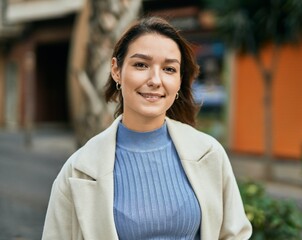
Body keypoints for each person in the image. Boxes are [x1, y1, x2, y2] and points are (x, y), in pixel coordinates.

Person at [42, 16, 252, 240]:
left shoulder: (209, 153)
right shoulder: (78, 170)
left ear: (180, 80)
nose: (155, 80)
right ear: (116, 70)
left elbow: (234, 234)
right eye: (141, 65)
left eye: (169, 69)